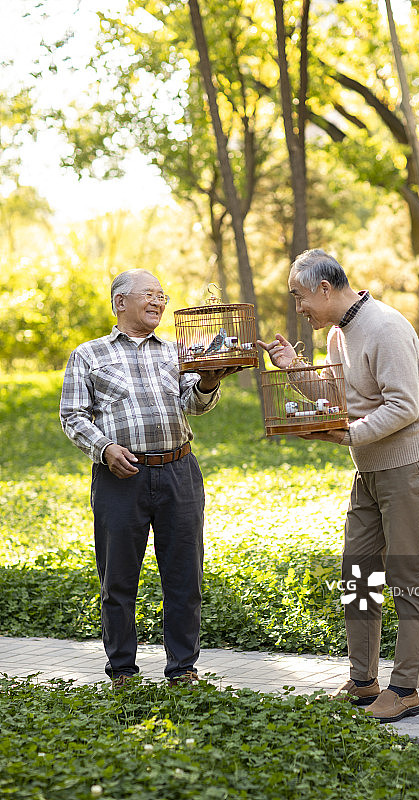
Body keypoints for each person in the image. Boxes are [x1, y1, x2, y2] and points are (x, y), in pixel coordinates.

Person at [258, 249, 419, 723]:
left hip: (407, 466)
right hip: (369, 470)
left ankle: (405, 689)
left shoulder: (385, 327)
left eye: (300, 297)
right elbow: (339, 400)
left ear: (324, 288)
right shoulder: (340, 334)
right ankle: (364, 680)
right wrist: (295, 369)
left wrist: (351, 434)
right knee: (358, 571)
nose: (299, 308)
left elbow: (406, 405)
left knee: (407, 577)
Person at [60, 269, 240, 687]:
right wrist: (104, 449)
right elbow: (72, 416)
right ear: (120, 302)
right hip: (120, 478)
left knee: (185, 577)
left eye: (162, 294)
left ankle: (183, 670)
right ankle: (122, 670)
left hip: (180, 472)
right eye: (149, 294)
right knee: (118, 580)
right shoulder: (89, 355)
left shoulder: (177, 351)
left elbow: (194, 404)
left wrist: (209, 382)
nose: (159, 301)